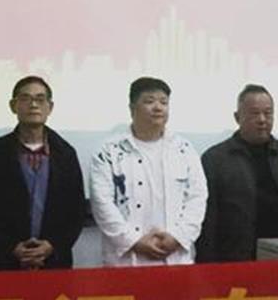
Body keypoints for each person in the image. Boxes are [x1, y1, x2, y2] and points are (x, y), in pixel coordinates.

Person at [0, 76, 85, 271]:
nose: (33, 105)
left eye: (40, 99)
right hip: (3, 262)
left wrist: (52, 246)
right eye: (25, 98)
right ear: (13, 106)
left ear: (50, 107)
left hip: (54, 263)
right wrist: (11, 248)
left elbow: (76, 211)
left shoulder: (66, 154)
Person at [88, 77, 207, 266]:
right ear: (132, 108)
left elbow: (197, 198)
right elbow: (102, 203)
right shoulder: (109, 152)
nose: (158, 107)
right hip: (125, 261)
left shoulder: (184, 149)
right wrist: (134, 241)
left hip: (176, 258)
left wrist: (178, 237)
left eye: (164, 102)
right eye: (149, 101)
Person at [196, 84, 278, 262]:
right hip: (236, 259)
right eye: (254, 113)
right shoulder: (215, 159)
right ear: (237, 117)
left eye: (268, 113)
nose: (262, 119)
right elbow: (208, 219)